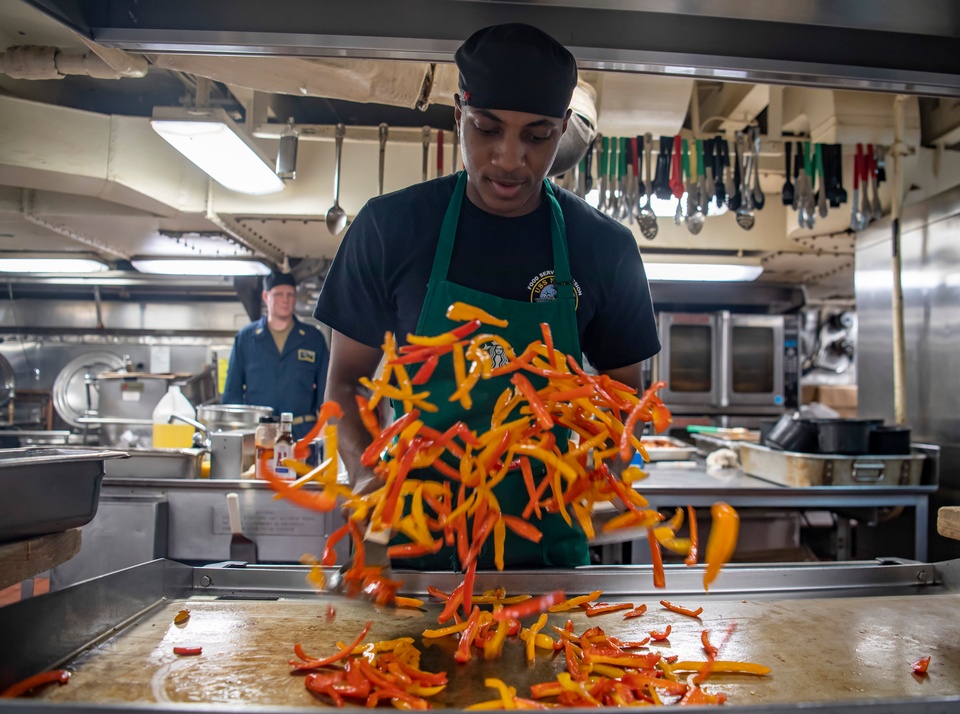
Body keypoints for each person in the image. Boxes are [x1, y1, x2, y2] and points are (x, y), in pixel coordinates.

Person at [314, 23, 660, 568]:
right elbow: (346, 382)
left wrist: (597, 482)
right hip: (409, 544)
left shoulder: (604, 248)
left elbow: (626, 402)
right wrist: (366, 477)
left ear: (563, 128)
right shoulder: (390, 228)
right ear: (458, 115)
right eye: (487, 129)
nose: (507, 158)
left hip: (544, 551)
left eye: (537, 136)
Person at [223, 271, 329, 441]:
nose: (285, 300)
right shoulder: (246, 338)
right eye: (278, 294)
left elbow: (326, 391)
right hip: (259, 434)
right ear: (266, 296)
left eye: (290, 294)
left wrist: (324, 430)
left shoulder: (312, 339)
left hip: (302, 434)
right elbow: (232, 393)